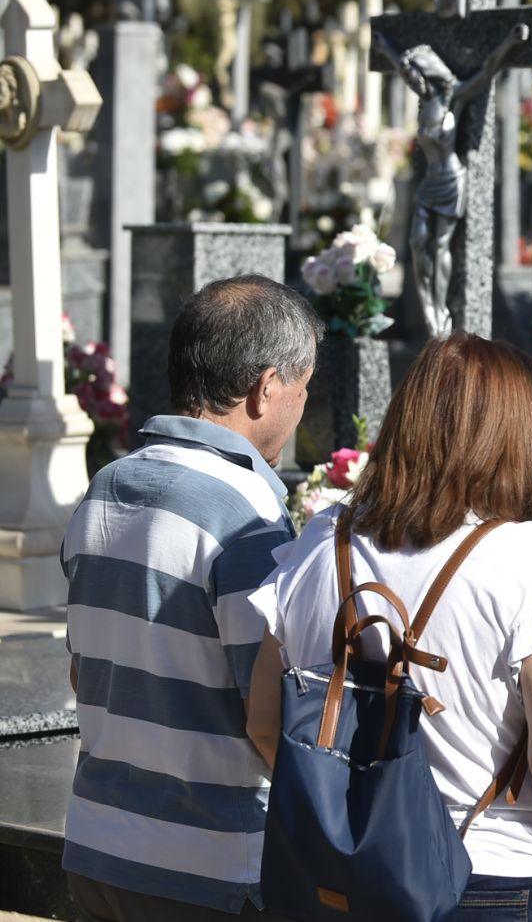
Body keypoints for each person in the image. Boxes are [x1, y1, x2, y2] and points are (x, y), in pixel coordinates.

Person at [246, 334, 532, 921]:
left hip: (346, 878)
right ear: (507, 440)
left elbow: (264, 721)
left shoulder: (321, 541)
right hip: (495, 874)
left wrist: (350, 824)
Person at [60, 275, 321, 920]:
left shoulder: (105, 486)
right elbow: (267, 715)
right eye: (303, 387)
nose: (302, 406)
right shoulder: (244, 511)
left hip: (98, 847)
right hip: (209, 867)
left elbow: (84, 672)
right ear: (266, 388)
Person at [374, 24, 528, 337]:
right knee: (418, 242)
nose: (420, 76)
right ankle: (430, 307)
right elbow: (403, 69)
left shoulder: (455, 97)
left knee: (440, 246)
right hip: (429, 181)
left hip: (451, 180)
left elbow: (488, 70)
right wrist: (385, 48)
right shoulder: (427, 97)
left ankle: (439, 311)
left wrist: (509, 42)